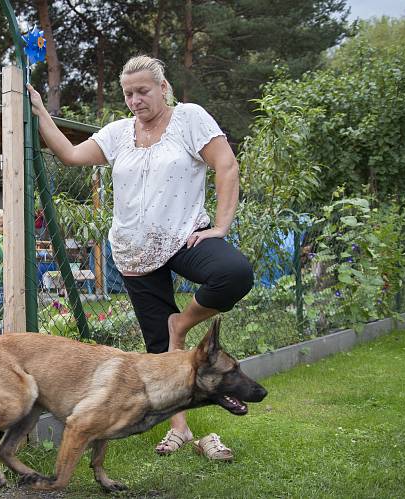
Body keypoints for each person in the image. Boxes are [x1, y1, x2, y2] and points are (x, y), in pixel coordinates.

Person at [27, 55, 253, 461]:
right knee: (159, 351)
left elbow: (226, 165)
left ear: (163, 89)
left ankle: (180, 322)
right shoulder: (117, 133)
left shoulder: (190, 120)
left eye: (143, 91)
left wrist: (219, 227)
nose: (135, 100)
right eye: (128, 93)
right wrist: (42, 111)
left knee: (233, 273)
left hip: (186, 237)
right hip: (134, 251)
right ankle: (179, 430)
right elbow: (70, 155)